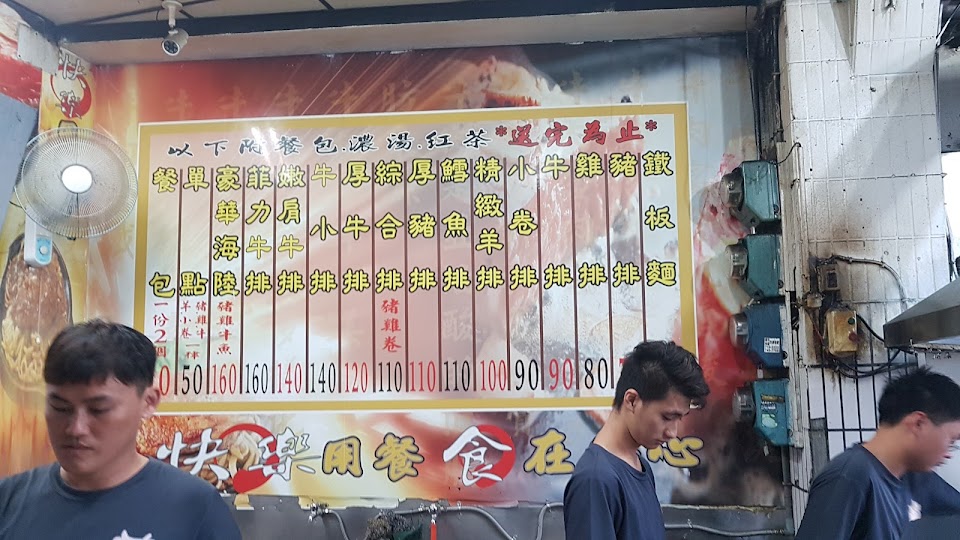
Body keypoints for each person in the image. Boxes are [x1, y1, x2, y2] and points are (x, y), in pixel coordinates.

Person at [0, 320, 242, 540]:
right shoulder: (8, 501)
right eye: (60, 408)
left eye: (98, 409)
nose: (76, 428)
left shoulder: (195, 508)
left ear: (148, 402)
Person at [563, 340, 710, 539]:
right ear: (632, 400)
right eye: (667, 417)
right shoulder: (595, 480)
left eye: (679, 418)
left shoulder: (640, 466)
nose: (673, 432)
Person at [796, 367, 960, 539]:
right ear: (918, 423)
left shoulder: (911, 478)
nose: (948, 454)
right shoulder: (850, 477)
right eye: (951, 441)